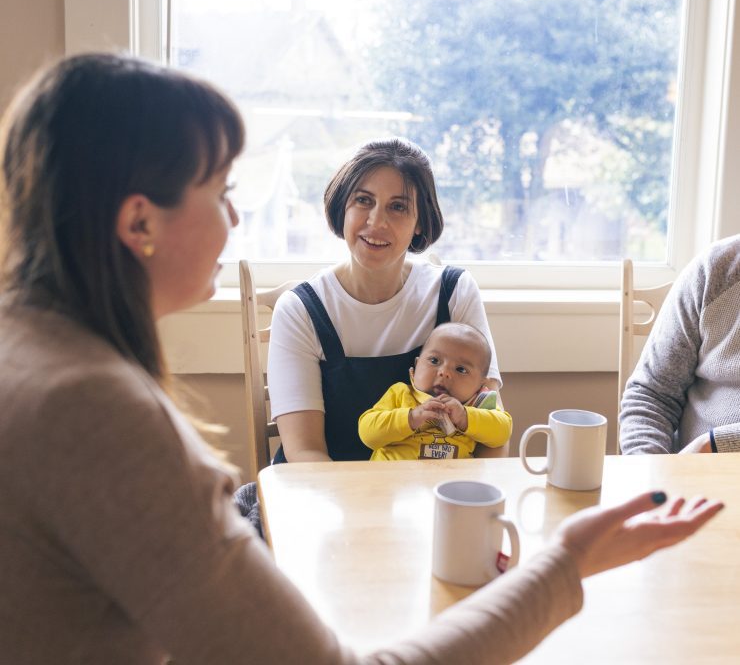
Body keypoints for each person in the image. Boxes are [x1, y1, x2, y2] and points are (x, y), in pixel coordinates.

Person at [0, 53, 724, 664]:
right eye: (220, 191)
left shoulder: (31, 351)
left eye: (399, 207)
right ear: (138, 221)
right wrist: (563, 566)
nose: (235, 218)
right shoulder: (96, 413)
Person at [267, 136, 504, 463]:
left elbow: (492, 430)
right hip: (329, 496)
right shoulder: (301, 310)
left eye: (398, 206)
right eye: (363, 200)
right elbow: (305, 452)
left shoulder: (454, 293)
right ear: (343, 207)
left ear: (420, 220)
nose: (376, 222)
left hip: (437, 497)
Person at [619, 235, 740, 454]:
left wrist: (715, 444)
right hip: (690, 479)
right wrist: (652, 474)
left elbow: (707, 447)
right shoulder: (716, 270)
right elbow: (651, 396)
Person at [358, 322, 512, 460]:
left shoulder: (478, 403)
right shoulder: (401, 393)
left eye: (461, 369)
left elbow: (503, 432)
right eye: (434, 361)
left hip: (450, 487)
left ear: (480, 384)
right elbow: (367, 433)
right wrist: (411, 418)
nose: (444, 372)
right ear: (417, 365)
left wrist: (465, 417)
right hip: (393, 484)